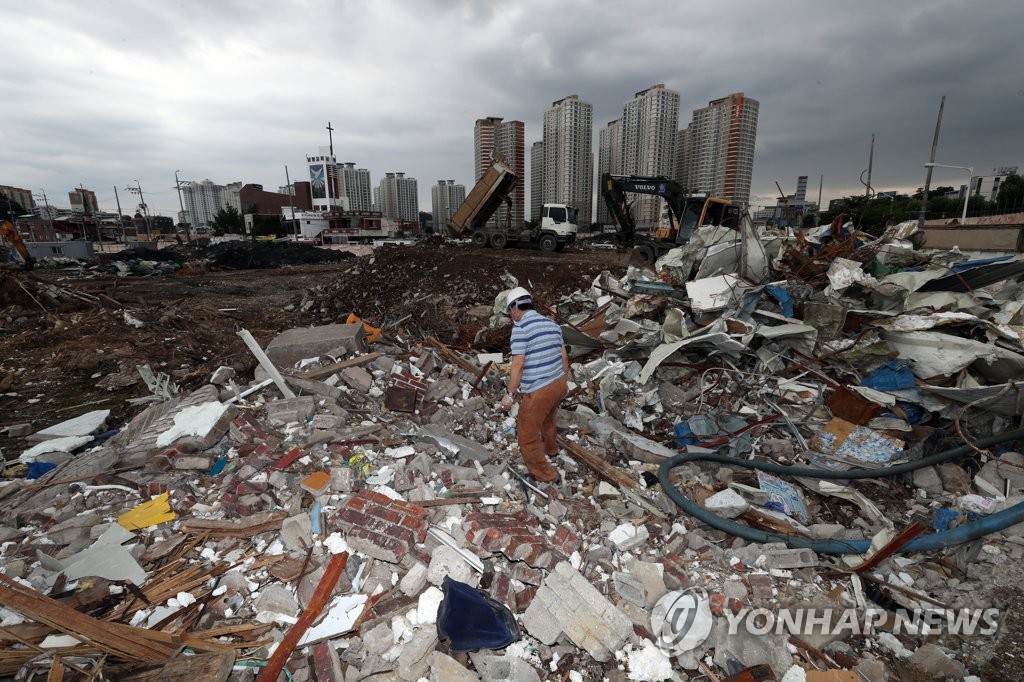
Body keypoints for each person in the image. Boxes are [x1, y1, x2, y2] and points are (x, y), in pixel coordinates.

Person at [500, 287, 569, 483]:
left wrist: (509, 394)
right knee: (548, 418)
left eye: (509, 310)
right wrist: (564, 382)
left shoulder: (520, 329)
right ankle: (551, 449)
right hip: (558, 383)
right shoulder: (552, 324)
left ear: (514, 308)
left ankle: (546, 475)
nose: (510, 314)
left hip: (539, 389)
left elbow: (518, 365)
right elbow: (564, 356)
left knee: (527, 433)